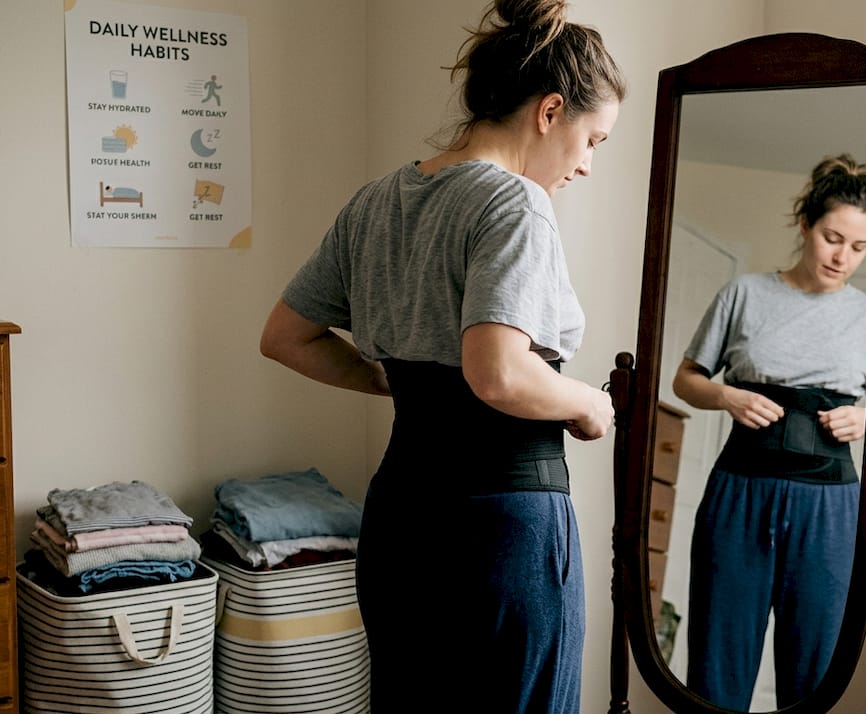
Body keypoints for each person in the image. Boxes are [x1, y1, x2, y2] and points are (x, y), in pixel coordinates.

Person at [258, 1, 625, 711]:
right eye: (593, 140)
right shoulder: (514, 203)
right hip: (502, 532)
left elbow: (285, 337)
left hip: (402, 520)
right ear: (550, 111)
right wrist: (589, 402)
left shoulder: (375, 202)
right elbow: (497, 373)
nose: (585, 166)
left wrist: (409, 386)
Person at [672, 154, 866, 710]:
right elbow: (685, 381)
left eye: (859, 247)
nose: (843, 257)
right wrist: (727, 395)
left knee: (814, 670)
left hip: (830, 505)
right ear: (806, 225)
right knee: (719, 660)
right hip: (740, 493)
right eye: (832, 237)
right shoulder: (745, 295)